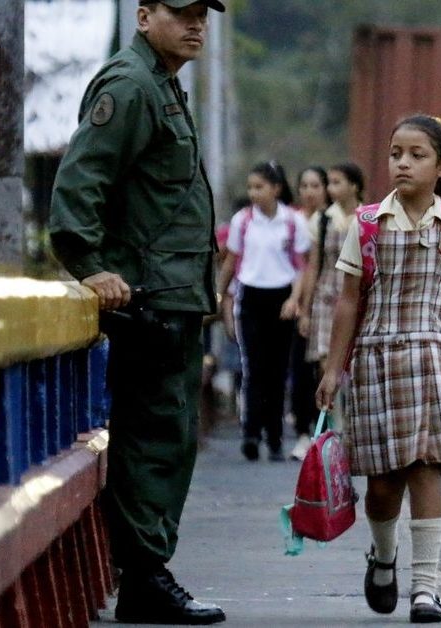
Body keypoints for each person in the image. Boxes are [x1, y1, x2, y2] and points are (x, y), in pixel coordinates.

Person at [47, 0, 227, 624]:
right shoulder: (129, 86)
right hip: (147, 300)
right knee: (151, 439)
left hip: (171, 295)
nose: (197, 24)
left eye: (203, 13)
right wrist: (89, 264)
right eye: (181, 13)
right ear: (145, 16)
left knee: (169, 437)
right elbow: (80, 184)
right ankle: (145, 578)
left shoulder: (162, 85)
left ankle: (150, 573)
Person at [316, 115, 441, 623]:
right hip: (377, 359)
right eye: (396, 152)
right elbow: (348, 301)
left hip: (435, 356)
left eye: (416, 154)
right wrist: (334, 369)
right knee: (383, 483)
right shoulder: (367, 223)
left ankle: (425, 587)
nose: (402, 162)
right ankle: (383, 559)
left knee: (427, 468)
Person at [217, 161, 311, 462]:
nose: (254, 193)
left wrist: (294, 300)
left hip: (282, 297)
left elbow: (301, 267)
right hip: (251, 298)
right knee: (253, 368)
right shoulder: (243, 221)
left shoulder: (292, 222)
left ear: (276, 189)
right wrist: (220, 296)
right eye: (251, 188)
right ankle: (251, 433)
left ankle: (274, 435)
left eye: (260, 187)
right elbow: (231, 262)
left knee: (277, 370)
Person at [298, 161, 365, 433]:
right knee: (327, 362)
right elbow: (314, 264)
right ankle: (334, 426)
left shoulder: (367, 218)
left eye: (337, 182)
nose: (331, 188)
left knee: (355, 362)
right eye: (330, 182)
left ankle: (353, 424)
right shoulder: (322, 219)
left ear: (354, 186)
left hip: (356, 295)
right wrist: (305, 308)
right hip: (326, 297)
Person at [287, 166, 331, 460]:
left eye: (316, 185)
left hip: (329, 298)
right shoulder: (293, 220)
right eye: (304, 185)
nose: (310, 191)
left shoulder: (330, 221)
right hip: (297, 297)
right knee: (302, 368)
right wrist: (301, 305)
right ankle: (305, 431)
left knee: (327, 369)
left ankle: (329, 430)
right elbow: (304, 267)